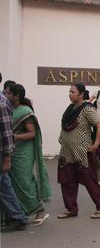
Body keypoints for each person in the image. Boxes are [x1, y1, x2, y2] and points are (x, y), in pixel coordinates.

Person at [57, 83, 100, 219]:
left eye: (73, 92)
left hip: (82, 152)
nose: (70, 94)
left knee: (89, 180)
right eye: (69, 91)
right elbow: (65, 125)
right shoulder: (70, 109)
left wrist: (96, 145)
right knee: (67, 181)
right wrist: (62, 137)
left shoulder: (87, 109)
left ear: (81, 94)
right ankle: (71, 209)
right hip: (67, 152)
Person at [4, 84, 51, 226]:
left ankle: (40, 211)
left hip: (24, 151)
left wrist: (13, 137)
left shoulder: (25, 111)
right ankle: (20, 211)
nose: (5, 95)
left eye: (7, 94)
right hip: (13, 149)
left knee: (24, 180)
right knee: (13, 182)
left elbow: (32, 133)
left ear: (16, 96)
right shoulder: (9, 109)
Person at [0, 84, 29, 232]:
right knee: (5, 186)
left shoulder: (2, 103)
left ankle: (19, 217)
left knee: (5, 187)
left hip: (2, 153)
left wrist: (7, 157)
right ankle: (18, 217)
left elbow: (6, 133)